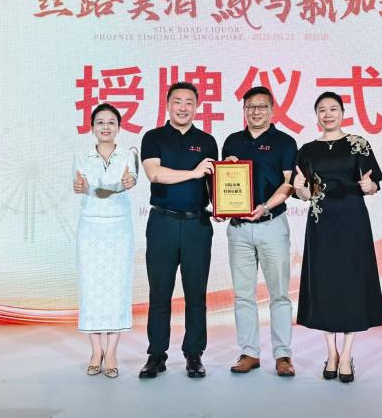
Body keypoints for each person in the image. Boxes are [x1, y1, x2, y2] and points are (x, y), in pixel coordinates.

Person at [290, 91, 382, 383]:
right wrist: (299, 188)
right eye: (322, 110)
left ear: (342, 113)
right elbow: (304, 193)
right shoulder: (307, 150)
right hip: (321, 224)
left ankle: (346, 355)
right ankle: (331, 353)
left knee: (351, 283)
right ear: (316, 115)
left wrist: (369, 186)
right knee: (326, 284)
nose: (328, 114)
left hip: (352, 221)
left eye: (333, 109)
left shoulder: (358, 144)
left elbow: (373, 185)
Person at [139, 82, 218, 379]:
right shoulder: (153, 137)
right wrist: (194, 172)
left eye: (189, 102)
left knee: (196, 293)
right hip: (163, 223)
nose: (183, 107)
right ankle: (156, 354)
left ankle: (194, 354)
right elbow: (155, 174)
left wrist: (225, 205)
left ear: (196, 106)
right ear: (168, 104)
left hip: (198, 224)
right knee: (160, 291)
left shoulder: (207, 141)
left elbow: (213, 182)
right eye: (177, 101)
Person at [220, 86, 298, 376]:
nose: (256, 112)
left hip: (271, 225)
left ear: (272, 110)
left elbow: (289, 184)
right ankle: (249, 352)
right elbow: (224, 182)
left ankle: (283, 355)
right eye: (250, 107)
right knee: (243, 294)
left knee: (279, 294)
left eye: (262, 106)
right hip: (239, 228)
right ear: (244, 110)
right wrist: (222, 206)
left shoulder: (285, 142)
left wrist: (265, 207)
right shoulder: (232, 141)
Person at [73, 103, 138, 379]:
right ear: (92, 128)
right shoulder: (81, 156)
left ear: (119, 127)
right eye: (100, 122)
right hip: (90, 228)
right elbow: (80, 185)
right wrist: (80, 187)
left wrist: (128, 182)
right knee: (91, 288)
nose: (106, 127)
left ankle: (111, 352)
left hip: (119, 229)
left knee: (116, 289)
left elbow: (130, 180)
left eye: (111, 122)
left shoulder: (129, 155)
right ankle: (95, 351)